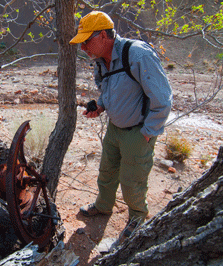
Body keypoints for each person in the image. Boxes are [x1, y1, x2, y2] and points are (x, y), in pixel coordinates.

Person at [69, 11, 172, 239]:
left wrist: (147, 133)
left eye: (87, 41)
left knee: (132, 181)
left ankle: (137, 218)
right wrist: (101, 106)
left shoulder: (137, 54)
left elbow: (163, 99)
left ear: (104, 35)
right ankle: (103, 206)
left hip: (137, 131)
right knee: (107, 171)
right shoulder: (100, 61)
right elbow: (107, 89)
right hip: (114, 129)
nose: (83, 47)